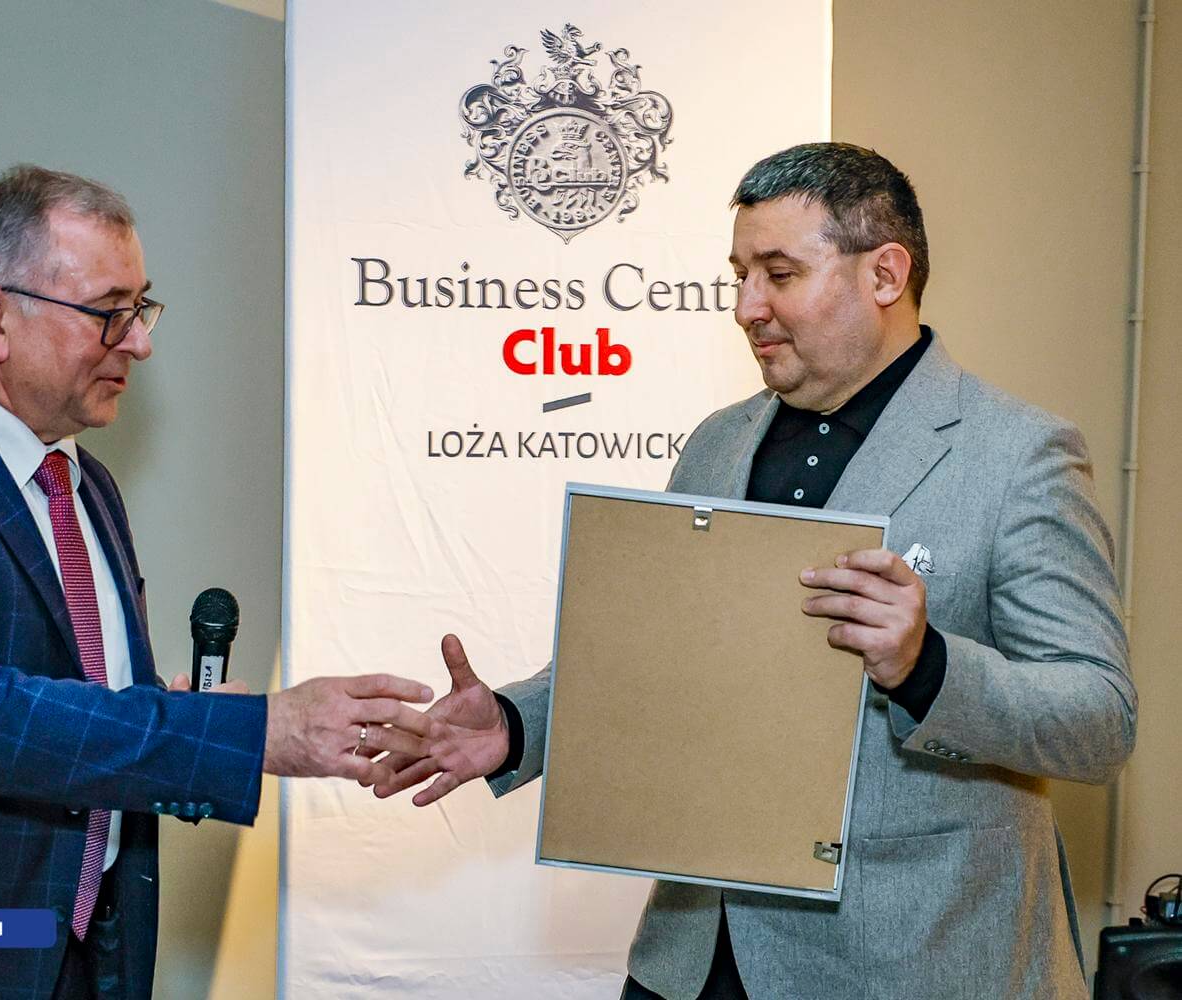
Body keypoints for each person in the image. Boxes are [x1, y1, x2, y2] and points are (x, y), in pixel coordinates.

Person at [377, 143, 1137, 1000]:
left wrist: (928, 664)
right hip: (691, 958)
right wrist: (517, 726)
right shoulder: (717, 443)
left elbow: (1099, 720)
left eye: (779, 274)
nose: (746, 307)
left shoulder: (1018, 455)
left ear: (885, 274)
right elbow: (652, 659)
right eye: (740, 275)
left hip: (908, 963)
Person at [0, 165, 433, 1000]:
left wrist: (171, 709)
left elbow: (66, 697)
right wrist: (251, 734)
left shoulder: (84, 483)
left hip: (74, 959)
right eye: (110, 312)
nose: (139, 343)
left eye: (141, 309)